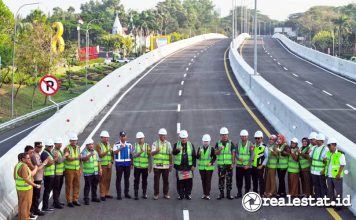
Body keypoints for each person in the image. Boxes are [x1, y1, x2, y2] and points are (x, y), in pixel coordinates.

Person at [14, 153, 40, 220]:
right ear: (23, 159)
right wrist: (35, 185)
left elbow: (29, 174)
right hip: (26, 190)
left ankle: (24, 218)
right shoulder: (24, 166)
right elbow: (26, 179)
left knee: (22, 206)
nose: (29, 159)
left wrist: (36, 168)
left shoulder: (17, 165)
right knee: (26, 207)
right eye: (28, 158)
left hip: (20, 189)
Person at [173, 130, 197, 200]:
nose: (183, 139)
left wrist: (193, 165)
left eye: (185, 138)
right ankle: (181, 195)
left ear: (187, 138)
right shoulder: (176, 144)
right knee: (180, 181)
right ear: (179, 138)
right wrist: (178, 150)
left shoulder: (190, 145)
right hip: (180, 167)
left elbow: (194, 156)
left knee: (188, 181)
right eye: (182, 138)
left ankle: (188, 194)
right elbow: (173, 153)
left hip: (188, 166)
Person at [151, 128, 173, 200]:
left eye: (164, 135)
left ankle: (165, 194)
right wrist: (157, 151)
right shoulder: (155, 143)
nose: (164, 137)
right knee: (156, 181)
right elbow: (152, 153)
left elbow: (170, 155)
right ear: (159, 135)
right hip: (157, 166)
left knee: (166, 181)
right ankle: (156, 194)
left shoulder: (168, 144)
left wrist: (170, 164)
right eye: (162, 135)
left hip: (166, 166)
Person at [325, 138, 346, 211]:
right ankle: (332, 203)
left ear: (334, 145)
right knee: (330, 190)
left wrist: (338, 174)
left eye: (329, 146)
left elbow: (342, 165)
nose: (328, 147)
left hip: (337, 176)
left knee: (338, 191)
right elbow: (327, 163)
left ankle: (339, 206)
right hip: (329, 175)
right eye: (328, 146)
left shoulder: (340, 154)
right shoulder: (328, 153)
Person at [215, 127, 235, 200]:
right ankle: (221, 194)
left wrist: (233, 163)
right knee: (221, 179)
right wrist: (220, 149)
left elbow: (233, 154)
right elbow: (215, 153)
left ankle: (229, 194)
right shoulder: (218, 143)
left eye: (225, 134)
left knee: (229, 179)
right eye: (223, 135)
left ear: (228, 135)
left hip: (229, 165)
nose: (224, 136)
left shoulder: (231, 143)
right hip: (221, 165)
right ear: (220, 135)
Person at [81, 138, 102, 205]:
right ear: (86, 145)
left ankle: (94, 197)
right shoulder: (84, 152)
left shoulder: (95, 152)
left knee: (95, 185)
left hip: (95, 172)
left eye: (92, 144)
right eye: (89, 144)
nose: (91, 145)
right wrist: (90, 154)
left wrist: (100, 169)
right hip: (88, 173)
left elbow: (98, 161)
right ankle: (86, 199)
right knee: (87, 186)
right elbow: (84, 159)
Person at [308, 133, 328, 199]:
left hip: (321, 171)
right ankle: (318, 198)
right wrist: (311, 167)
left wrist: (324, 170)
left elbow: (327, 162)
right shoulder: (314, 148)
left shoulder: (325, 149)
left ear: (322, 141)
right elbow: (310, 157)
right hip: (314, 171)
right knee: (316, 185)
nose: (316, 141)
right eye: (316, 140)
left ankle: (324, 198)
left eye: (318, 140)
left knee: (322, 185)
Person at [113, 131, 133, 200]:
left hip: (127, 164)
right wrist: (120, 148)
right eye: (122, 136)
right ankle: (119, 195)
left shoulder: (129, 144)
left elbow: (131, 154)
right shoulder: (116, 144)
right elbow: (114, 153)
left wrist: (131, 164)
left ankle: (126, 193)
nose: (123, 137)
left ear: (126, 137)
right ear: (120, 137)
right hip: (119, 164)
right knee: (118, 179)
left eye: (124, 136)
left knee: (127, 179)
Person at [64, 133, 81, 207]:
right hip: (69, 170)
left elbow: (79, 159)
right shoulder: (67, 148)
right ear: (70, 141)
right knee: (69, 185)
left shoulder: (78, 147)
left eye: (75, 140)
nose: (74, 142)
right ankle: (69, 201)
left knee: (77, 185)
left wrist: (80, 168)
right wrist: (76, 157)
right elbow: (68, 158)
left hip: (77, 169)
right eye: (72, 140)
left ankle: (75, 199)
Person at [132, 132, 151, 200]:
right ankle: (136, 194)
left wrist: (150, 166)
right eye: (139, 138)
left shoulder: (147, 146)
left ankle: (144, 193)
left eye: (141, 138)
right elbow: (133, 155)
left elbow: (149, 156)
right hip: (137, 167)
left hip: (144, 167)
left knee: (144, 181)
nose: (140, 140)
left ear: (144, 138)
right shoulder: (135, 146)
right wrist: (140, 152)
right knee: (136, 180)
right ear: (137, 139)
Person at [235, 129, 254, 198]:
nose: (244, 138)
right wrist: (238, 158)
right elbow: (236, 153)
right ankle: (239, 193)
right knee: (239, 180)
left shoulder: (250, 144)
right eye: (242, 136)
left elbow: (252, 155)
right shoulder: (237, 144)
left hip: (247, 167)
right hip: (239, 166)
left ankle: (246, 194)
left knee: (247, 180)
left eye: (245, 136)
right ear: (240, 136)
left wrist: (248, 165)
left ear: (247, 136)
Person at [197, 134, 216, 200]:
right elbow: (197, 157)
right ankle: (204, 193)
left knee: (208, 181)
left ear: (209, 142)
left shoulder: (212, 148)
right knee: (203, 180)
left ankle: (207, 194)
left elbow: (214, 157)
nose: (205, 143)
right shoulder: (200, 148)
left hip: (209, 168)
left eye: (207, 141)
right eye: (204, 141)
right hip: (202, 168)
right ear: (202, 141)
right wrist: (199, 153)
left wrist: (211, 162)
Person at [96, 130, 113, 201]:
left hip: (109, 165)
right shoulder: (98, 146)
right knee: (102, 180)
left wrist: (111, 162)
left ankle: (106, 193)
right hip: (102, 165)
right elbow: (100, 155)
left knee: (108, 179)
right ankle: (102, 194)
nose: (106, 139)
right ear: (101, 138)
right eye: (105, 137)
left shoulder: (109, 144)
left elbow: (112, 155)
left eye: (107, 137)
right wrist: (107, 150)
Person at [30, 142, 46, 216]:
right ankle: (35, 210)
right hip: (36, 177)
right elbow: (37, 167)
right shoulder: (33, 155)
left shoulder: (37, 154)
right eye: (39, 147)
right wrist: (44, 163)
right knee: (36, 195)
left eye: (41, 147)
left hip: (39, 177)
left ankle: (34, 209)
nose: (40, 148)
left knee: (37, 195)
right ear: (35, 147)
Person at [41, 139, 57, 212]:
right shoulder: (44, 153)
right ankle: (45, 207)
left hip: (51, 174)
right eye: (49, 146)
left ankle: (46, 206)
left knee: (48, 191)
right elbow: (48, 163)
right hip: (48, 175)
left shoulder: (48, 152)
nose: (51, 147)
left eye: (51, 146)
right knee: (47, 191)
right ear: (46, 146)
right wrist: (55, 159)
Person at [251, 131, 268, 196]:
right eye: (256, 138)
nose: (257, 139)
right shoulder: (253, 145)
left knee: (261, 181)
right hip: (253, 166)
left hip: (260, 167)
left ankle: (262, 194)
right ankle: (255, 193)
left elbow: (267, 157)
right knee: (254, 180)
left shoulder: (264, 147)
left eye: (259, 138)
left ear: (262, 138)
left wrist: (262, 165)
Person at [52, 138, 65, 209]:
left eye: (60, 143)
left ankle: (57, 201)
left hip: (61, 172)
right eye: (58, 144)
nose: (60, 145)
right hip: (57, 173)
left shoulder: (59, 150)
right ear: (55, 144)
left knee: (59, 188)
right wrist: (65, 156)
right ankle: (56, 203)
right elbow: (59, 161)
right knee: (56, 188)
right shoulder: (54, 152)